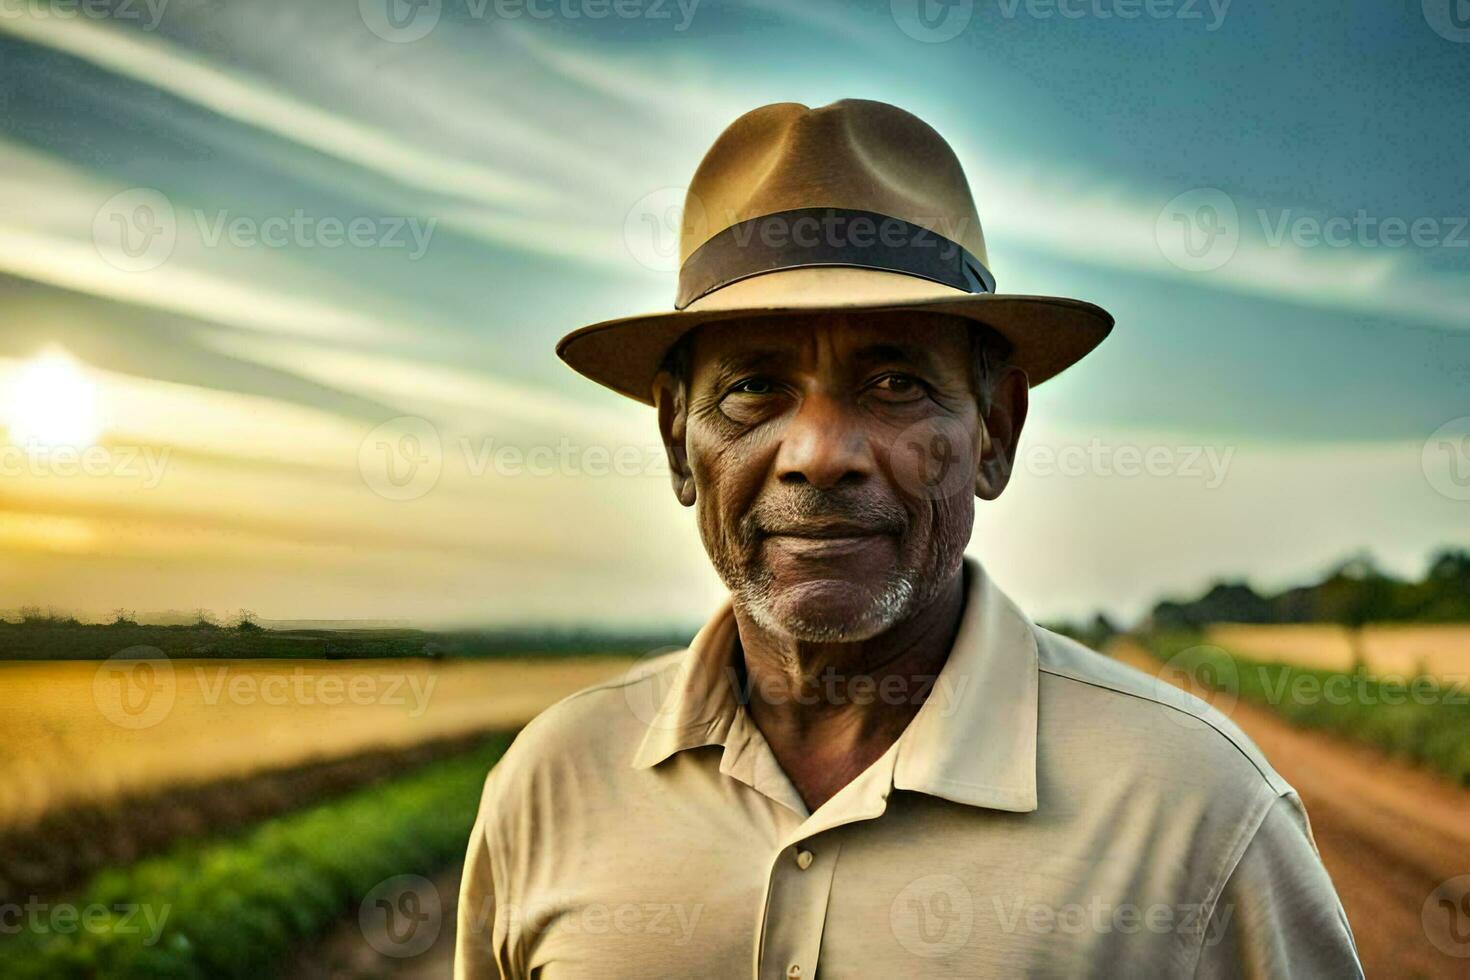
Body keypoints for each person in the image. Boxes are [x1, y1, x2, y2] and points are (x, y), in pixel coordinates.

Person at [454, 99, 1362, 978]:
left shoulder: (1195, 809)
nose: (818, 454)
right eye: (753, 390)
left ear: (993, 436)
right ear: (675, 441)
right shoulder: (549, 784)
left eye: (893, 385)